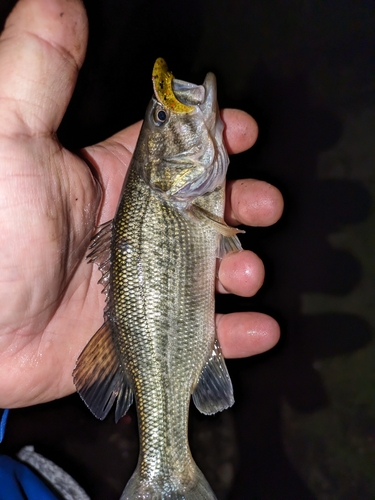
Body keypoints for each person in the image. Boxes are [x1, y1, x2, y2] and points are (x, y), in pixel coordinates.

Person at [0, 0, 283, 497]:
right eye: (161, 116)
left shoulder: (181, 195)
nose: (169, 115)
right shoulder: (178, 194)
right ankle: (166, 471)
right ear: (162, 167)